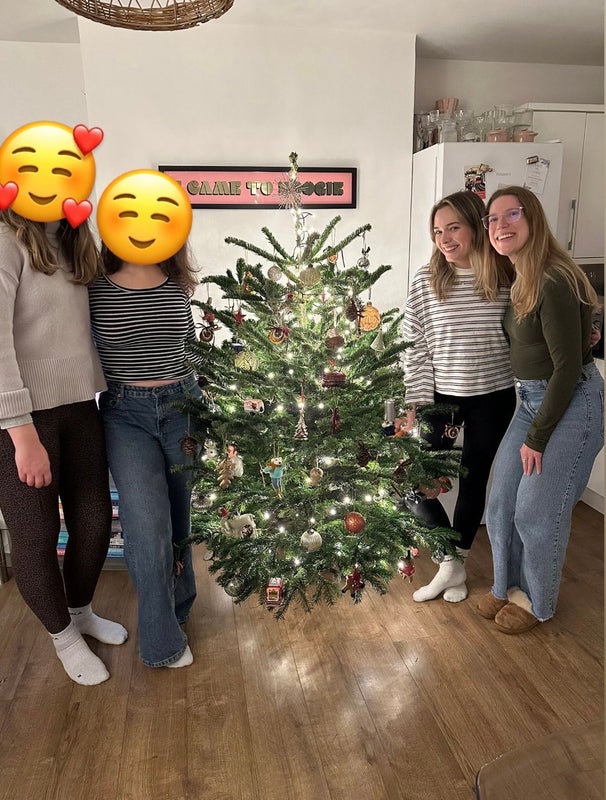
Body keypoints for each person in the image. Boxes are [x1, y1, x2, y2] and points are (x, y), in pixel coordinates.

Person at [0, 209, 128, 686]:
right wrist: (20, 431)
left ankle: (80, 611)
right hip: (21, 419)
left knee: (94, 523)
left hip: (79, 407)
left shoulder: (76, 241)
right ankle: (64, 637)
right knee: (36, 536)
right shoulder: (5, 240)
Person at [478, 186, 603, 634]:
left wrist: (537, 438)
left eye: (511, 215)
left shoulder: (551, 278)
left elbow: (568, 368)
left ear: (532, 218)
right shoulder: (522, 276)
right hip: (531, 399)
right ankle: (505, 586)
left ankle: (537, 601)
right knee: (500, 503)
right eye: (492, 219)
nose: (500, 226)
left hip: (570, 404)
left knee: (535, 512)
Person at [89, 238, 203, 669]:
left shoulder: (176, 281)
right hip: (124, 413)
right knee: (147, 527)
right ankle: (161, 644)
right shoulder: (94, 285)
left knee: (179, 519)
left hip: (183, 407)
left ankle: (179, 607)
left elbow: (188, 348)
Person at [402, 190, 516, 602]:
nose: (444, 239)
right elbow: (414, 346)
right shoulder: (426, 280)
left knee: (473, 480)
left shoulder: (504, 275)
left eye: (453, 228)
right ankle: (449, 561)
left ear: (475, 228)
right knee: (412, 480)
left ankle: (456, 566)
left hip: (494, 396)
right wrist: (415, 402)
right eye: (437, 231)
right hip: (440, 398)